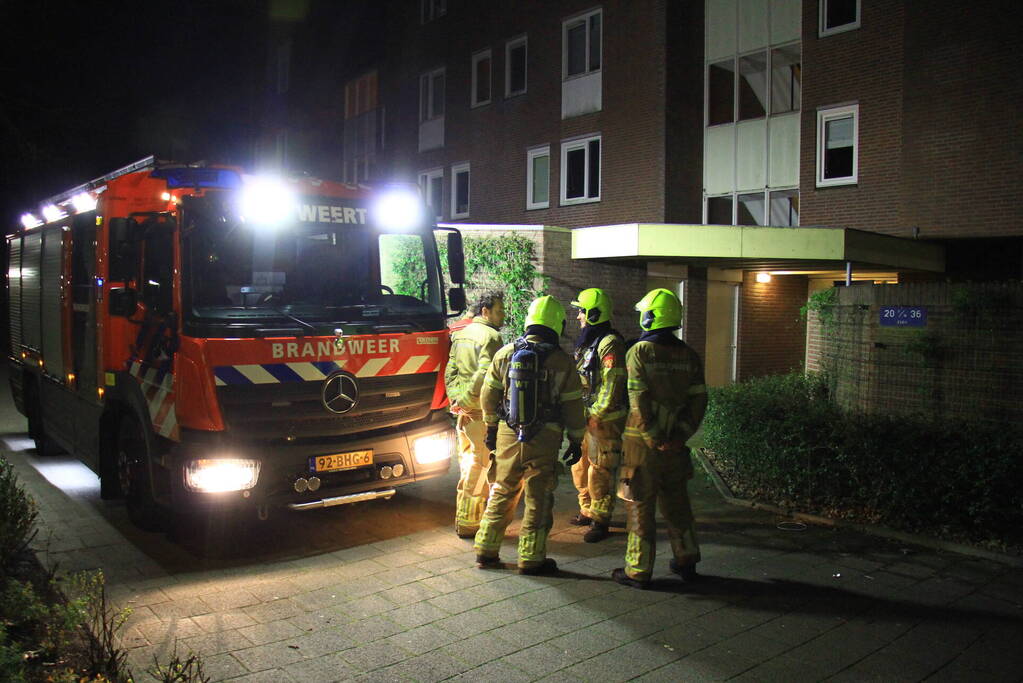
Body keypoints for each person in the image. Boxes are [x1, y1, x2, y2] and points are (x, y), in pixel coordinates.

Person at [474, 295, 586, 575]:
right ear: (556, 325)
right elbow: (572, 406)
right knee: (539, 496)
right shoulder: (562, 361)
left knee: (501, 489)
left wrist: (490, 427)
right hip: (544, 437)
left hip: (508, 433)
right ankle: (532, 558)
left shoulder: (505, 353)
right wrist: (576, 438)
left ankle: (486, 550)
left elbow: (488, 397)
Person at [612, 288, 708, 589]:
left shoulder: (639, 352)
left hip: (642, 447)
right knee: (678, 504)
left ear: (651, 316)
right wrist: (679, 436)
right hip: (676, 447)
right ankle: (687, 559)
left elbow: (637, 398)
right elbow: (699, 401)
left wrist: (653, 436)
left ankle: (637, 570)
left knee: (639, 504)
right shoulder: (689, 355)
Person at [444, 291, 506, 538]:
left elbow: (451, 369)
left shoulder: (460, 334)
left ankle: (465, 518)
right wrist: (470, 400)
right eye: (499, 310)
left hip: (464, 413)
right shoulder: (491, 337)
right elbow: (485, 375)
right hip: (480, 412)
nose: (503, 315)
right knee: (480, 466)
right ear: (485, 311)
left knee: (468, 464)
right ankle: (470, 522)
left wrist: (457, 400)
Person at [569, 288, 627, 543]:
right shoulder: (587, 341)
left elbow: (611, 386)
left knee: (600, 469)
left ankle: (601, 520)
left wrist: (596, 415)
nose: (578, 317)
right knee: (580, 466)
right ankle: (586, 510)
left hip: (603, 421)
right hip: (585, 417)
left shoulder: (609, 343)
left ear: (593, 313)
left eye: (581, 311)